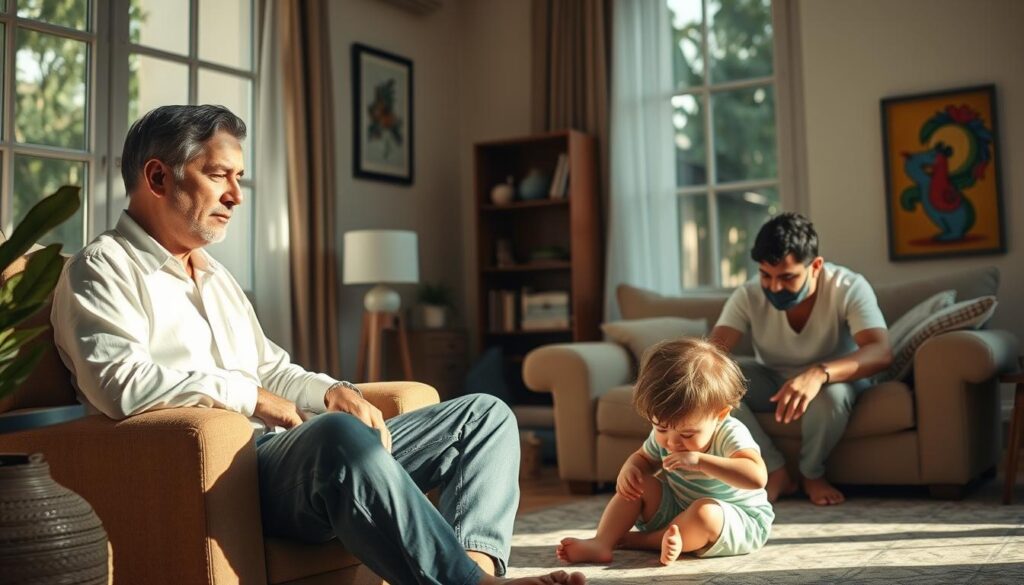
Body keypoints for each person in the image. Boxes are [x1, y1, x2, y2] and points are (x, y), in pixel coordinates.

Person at [51, 104, 585, 585]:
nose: (236, 195)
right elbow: (118, 384)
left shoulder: (215, 276)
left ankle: (477, 574)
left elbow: (271, 367)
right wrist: (255, 400)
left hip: (282, 457)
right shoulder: (101, 269)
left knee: (485, 416)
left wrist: (335, 391)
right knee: (334, 439)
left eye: (239, 177)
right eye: (219, 175)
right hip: (225, 473)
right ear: (158, 176)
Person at [708, 212, 892, 506]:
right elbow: (711, 353)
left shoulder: (849, 286)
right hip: (772, 376)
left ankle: (812, 474)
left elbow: (880, 351)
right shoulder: (748, 294)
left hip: (836, 379)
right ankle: (775, 471)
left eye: (787, 277)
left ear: (815, 266)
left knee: (830, 398)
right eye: (765, 275)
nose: (774, 288)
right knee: (713, 385)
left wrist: (819, 374)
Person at [556, 338, 773, 565]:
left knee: (704, 512)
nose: (672, 442)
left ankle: (641, 541)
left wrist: (700, 461)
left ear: (719, 415)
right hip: (678, 509)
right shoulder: (669, 432)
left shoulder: (730, 433)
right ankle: (602, 542)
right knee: (640, 484)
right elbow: (643, 459)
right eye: (661, 428)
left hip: (735, 521)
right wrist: (631, 468)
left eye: (687, 435)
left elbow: (756, 476)